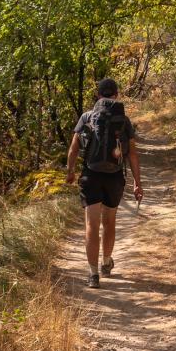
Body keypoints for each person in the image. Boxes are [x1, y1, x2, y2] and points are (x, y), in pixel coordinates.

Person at [66, 77, 143, 288]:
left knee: (92, 225)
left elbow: (74, 148)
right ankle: (106, 262)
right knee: (109, 223)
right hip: (115, 177)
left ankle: (92, 275)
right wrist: (137, 183)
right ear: (116, 95)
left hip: (91, 175)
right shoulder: (124, 121)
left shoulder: (86, 117)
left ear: (98, 95)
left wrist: (70, 171)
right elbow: (133, 155)